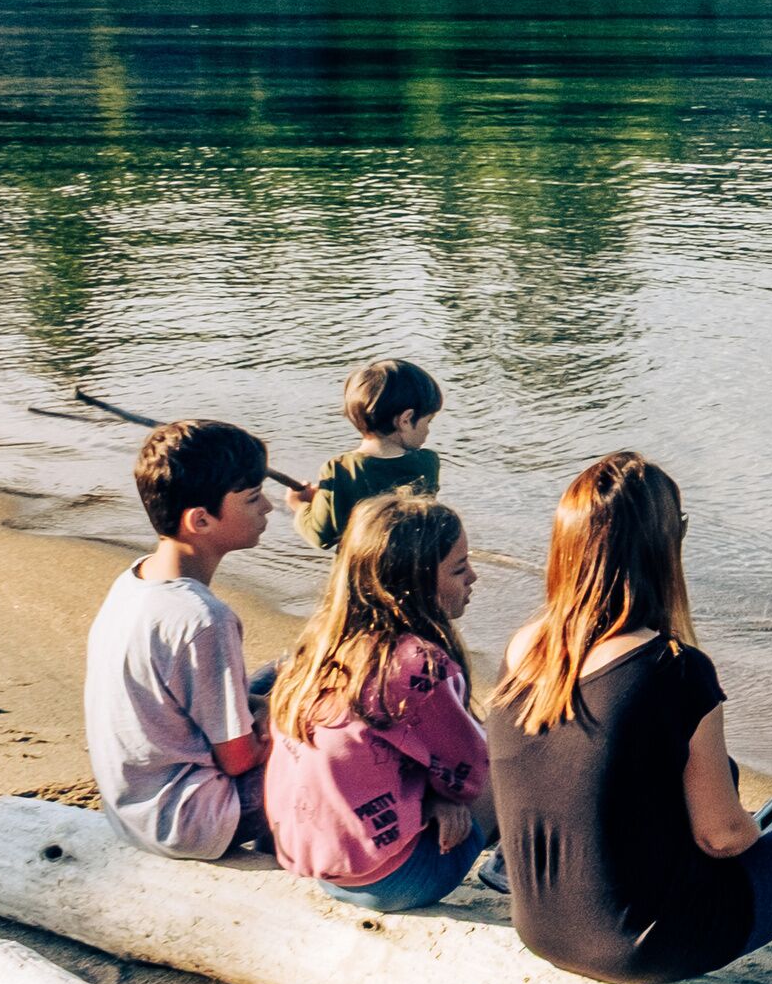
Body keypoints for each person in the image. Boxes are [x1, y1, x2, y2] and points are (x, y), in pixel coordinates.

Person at [485, 453, 772, 984]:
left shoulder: (525, 647)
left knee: (705, 777)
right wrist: (758, 833)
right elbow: (722, 837)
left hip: (543, 928)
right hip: (643, 946)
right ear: (667, 544)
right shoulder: (674, 668)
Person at [262, 493, 493, 911]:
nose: (473, 577)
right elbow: (472, 774)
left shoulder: (320, 651)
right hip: (397, 876)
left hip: (323, 868)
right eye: (460, 568)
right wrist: (449, 794)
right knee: (507, 749)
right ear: (416, 584)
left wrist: (435, 796)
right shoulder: (416, 664)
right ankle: (508, 870)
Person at [83, 418, 275, 860]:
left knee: (289, 674)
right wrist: (282, 722)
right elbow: (240, 761)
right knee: (342, 736)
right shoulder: (203, 619)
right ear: (201, 520)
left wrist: (269, 707)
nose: (267, 506)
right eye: (252, 498)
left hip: (132, 804)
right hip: (186, 821)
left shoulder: (137, 578)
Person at [292, 358, 444, 553]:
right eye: (428, 421)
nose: (428, 431)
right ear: (406, 420)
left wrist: (301, 505)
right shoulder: (427, 463)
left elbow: (322, 536)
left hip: (357, 577)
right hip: (415, 573)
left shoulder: (339, 469)